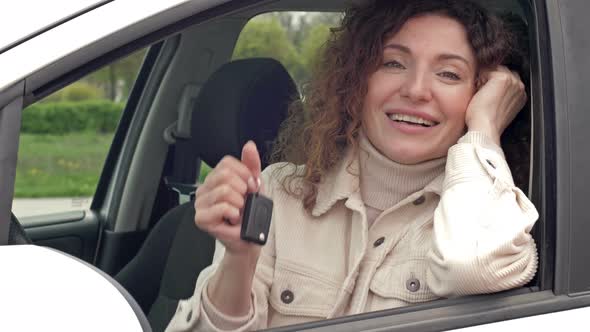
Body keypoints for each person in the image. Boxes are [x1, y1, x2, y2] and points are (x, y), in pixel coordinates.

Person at [166, 0, 538, 331]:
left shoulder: (494, 213)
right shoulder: (278, 190)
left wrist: (484, 131)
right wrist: (239, 259)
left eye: (449, 74)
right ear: (357, 80)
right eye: (393, 63)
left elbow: (471, 266)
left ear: (480, 93)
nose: (416, 90)